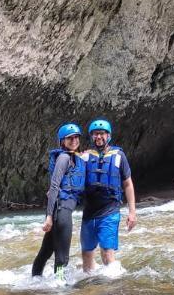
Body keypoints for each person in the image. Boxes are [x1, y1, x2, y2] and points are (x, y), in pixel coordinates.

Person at [32, 123, 87, 281]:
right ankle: (60, 287)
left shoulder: (75, 158)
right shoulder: (63, 158)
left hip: (61, 210)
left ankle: (34, 282)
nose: (74, 140)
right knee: (62, 258)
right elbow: (54, 186)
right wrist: (49, 216)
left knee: (45, 252)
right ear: (62, 141)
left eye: (76, 137)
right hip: (61, 212)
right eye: (70, 138)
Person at [80, 118, 136, 273]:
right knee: (86, 253)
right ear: (92, 136)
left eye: (102, 134)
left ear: (108, 135)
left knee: (107, 252)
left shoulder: (119, 156)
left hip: (110, 211)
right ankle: (89, 289)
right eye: (95, 134)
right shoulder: (85, 157)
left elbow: (128, 184)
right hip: (89, 212)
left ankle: (112, 289)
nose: (99, 137)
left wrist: (132, 212)